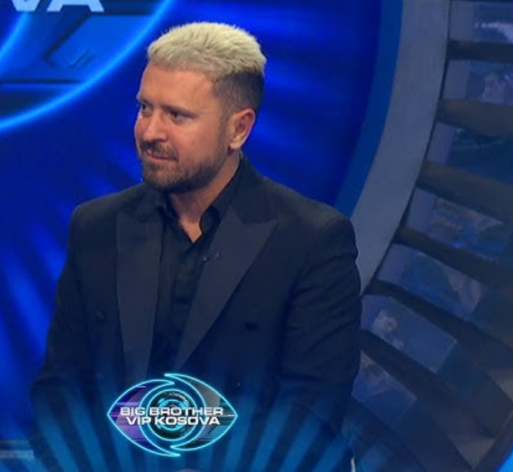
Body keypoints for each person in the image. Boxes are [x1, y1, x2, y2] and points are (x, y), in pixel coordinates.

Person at [30, 22, 361, 472]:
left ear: (238, 129)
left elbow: (308, 419)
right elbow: (60, 391)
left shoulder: (312, 240)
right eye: (145, 108)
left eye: (177, 116)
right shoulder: (96, 228)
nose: (150, 132)